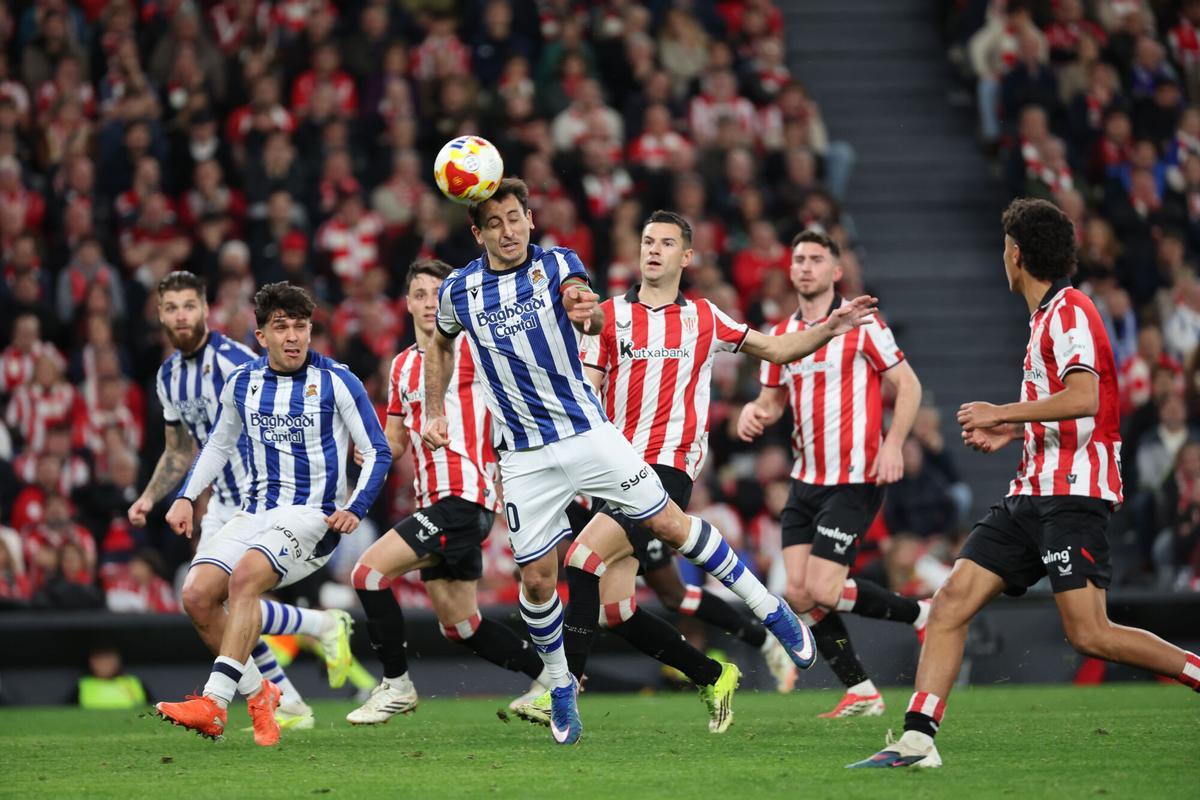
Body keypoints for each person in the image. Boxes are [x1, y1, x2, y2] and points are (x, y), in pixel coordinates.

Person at [423, 179, 847, 745]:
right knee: (559, 586)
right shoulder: (463, 291)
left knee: (623, 547)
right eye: (493, 223)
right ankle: (569, 684)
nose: (507, 231)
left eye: (515, 218)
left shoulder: (568, 269)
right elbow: (442, 341)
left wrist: (581, 308)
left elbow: (581, 299)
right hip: (524, 454)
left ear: (530, 218)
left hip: (603, 441)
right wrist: (432, 409)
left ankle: (768, 610)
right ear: (477, 233)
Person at [850, 198, 1200, 769]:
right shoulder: (1045, 318)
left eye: (1003, 246)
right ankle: (917, 741)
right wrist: (1013, 436)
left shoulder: (1072, 310)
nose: (1001, 256)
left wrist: (1001, 414)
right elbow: (1072, 412)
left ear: (1015, 254)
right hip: (1031, 492)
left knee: (1091, 634)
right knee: (950, 603)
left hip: (1073, 497)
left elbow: (1085, 398)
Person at [154, 282, 391, 746]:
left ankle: (213, 703)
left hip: (312, 515)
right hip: (253, 513)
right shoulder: (243, 383)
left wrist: (355, 508)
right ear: (260, 336)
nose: (294, 337)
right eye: (281, 327)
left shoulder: (338, 380)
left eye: (301, 326)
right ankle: (259, 691)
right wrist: (185, 496)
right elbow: (218, 446)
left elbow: (377, 451)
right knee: (197, 596)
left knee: (244, 579)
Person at [129, 271, 342, 734]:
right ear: (160, 314)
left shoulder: (235, 360)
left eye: (190, 305)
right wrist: (152, 497)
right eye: (172, 308)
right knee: (205, 601)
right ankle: (283, 694)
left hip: (258, 498)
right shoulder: (168, 376)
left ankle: (296, 657)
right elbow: (180, 448)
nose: (181, 315)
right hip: (216, 503)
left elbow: (274, 411)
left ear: (205, 309)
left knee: (236, 595)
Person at [345, 259, 551, 724]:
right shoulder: (400, 367)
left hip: (466, 497)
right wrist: (370, 450)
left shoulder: (475, 351)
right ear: (407, 302)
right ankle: (556, 680)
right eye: (419, 294)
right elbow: (395, 443)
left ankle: (396, 685)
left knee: (368, 574)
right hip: (432, 502)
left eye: (437, 294)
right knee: (461, 625)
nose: (427, 303)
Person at [737, 229, 928, 719]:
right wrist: (754, 412)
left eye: (815, 259)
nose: (804, 266)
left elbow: (908, 386)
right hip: (806, 480)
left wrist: (893, 444)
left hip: (855, 476)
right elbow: (771, 399)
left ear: (836, 271)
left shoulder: (863, 324)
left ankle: (923, 613)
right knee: (798, 592)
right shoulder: (781, 335)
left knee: (822, 589)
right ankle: (861, 691)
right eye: (798, 258)